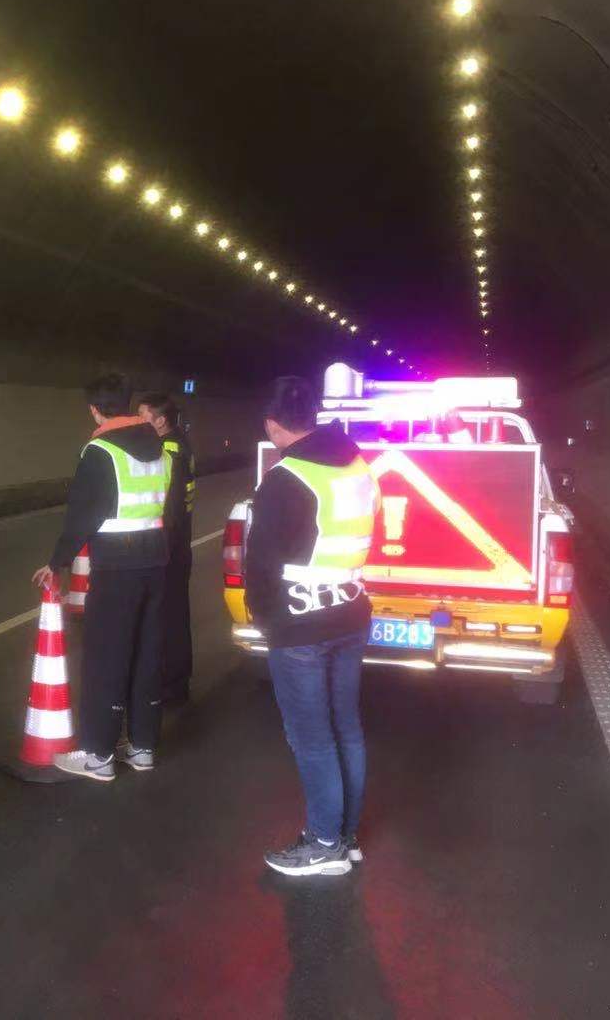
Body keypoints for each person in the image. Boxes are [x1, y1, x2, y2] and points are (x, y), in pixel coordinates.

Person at [245, 376, 379, 878]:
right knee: (346, 728)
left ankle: (324, 845)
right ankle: (344, 836)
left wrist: (265, 619)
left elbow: (261, 563)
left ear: (272, 425)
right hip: (350, 611)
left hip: (300, 624)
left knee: (312, 739)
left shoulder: (285, 479)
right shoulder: (357, 464)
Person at [32, 373, 170, 783]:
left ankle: (98, 754)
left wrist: (57, 561)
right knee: (146, 653)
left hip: (116, 565)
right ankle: (143, 746)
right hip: (155, 560)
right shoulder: (159, 447)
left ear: (94, 410)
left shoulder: (100, 450)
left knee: (106, 656)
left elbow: (82, 514)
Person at [137, 392, 195, 704]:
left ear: (160, 421)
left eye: (142, 416)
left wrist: (160, 550)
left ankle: (172, 684)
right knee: (175, 614)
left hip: (170, 547)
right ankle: (175, 680)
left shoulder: (169, 451)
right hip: (178, 544)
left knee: (169, 617)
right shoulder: (179, 443)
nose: (137, 421)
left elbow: (170, 507)